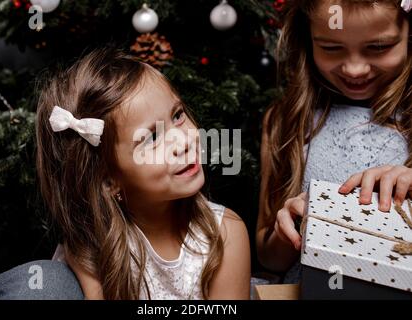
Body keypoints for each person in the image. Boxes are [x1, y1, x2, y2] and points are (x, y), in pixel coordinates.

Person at [35, 48, 250, 299]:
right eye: (153, 138)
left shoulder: (225, 234)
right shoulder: (91, 251)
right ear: (108, 180)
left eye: (178, 115)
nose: (183, 142)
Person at [256, 0, 411, 283]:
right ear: (308, 39)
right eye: (331, 48)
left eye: (378, 48)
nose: (354, 69)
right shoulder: (287, 119)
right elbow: (269, 258)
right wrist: (287, 229)